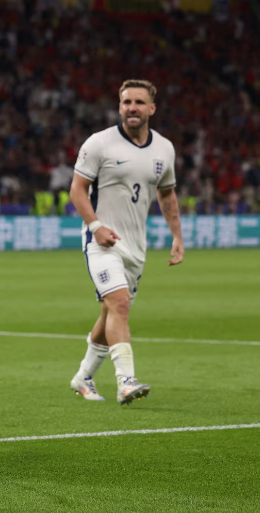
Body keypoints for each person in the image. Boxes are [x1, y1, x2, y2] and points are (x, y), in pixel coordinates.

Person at [68, 79, 184, 405]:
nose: (132, 107)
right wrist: (95, 226)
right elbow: (76, 190)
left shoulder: (164, 149)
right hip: (101, 241)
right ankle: (126, 381)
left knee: (110, 314)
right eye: (126, 102)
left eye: (139, 102)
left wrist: (177, 236)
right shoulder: (99, 144)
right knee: (119, 304)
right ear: (120, 106)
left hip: (136, 246)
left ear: (152, 108)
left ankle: (83, 376)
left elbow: (166, 194)